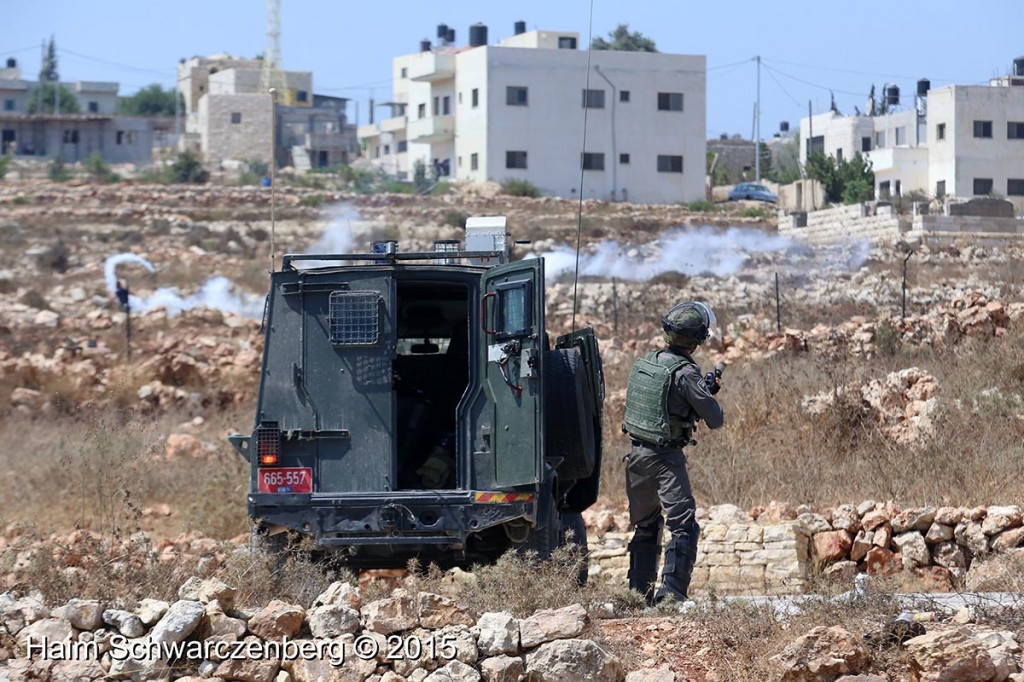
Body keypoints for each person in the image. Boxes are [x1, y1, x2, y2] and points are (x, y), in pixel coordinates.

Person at [622, 301, 725, 605]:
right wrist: (705, 393)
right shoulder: (686, 374)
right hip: (666, 459)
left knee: (645, 525)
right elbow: (715, 418)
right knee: (683, 526)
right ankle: (670, 597)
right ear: (696, 340)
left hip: (637, 457)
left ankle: (637, 596)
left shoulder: (646, 363)